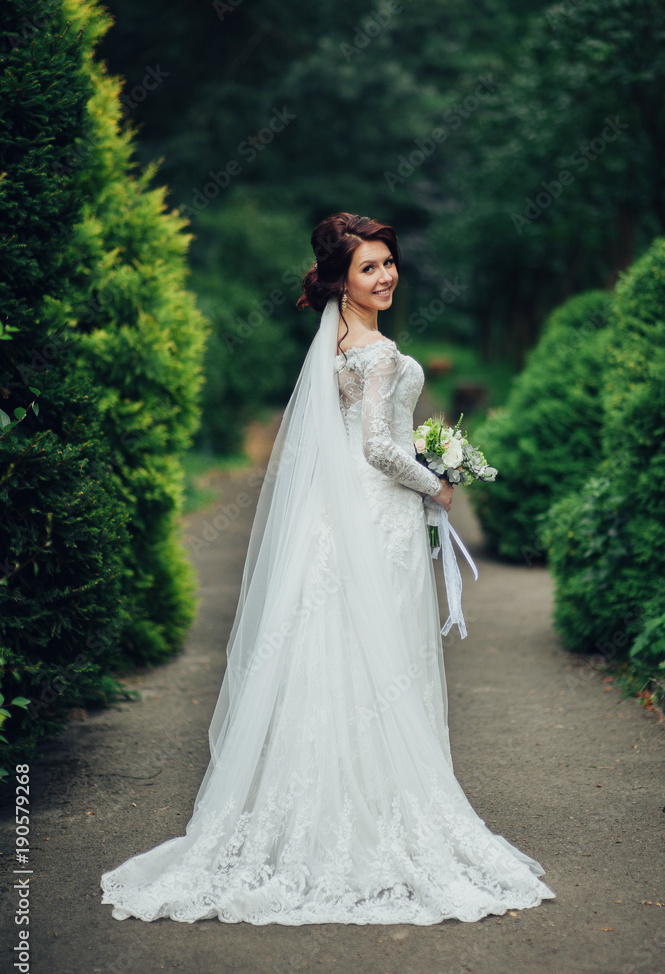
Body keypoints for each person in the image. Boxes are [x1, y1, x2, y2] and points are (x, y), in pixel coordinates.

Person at [100, 212, 555, 924]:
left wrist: (427, 462)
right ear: (340, 279)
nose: (385, 276)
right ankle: (371, 817)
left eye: (388, 263)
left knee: (340, 657)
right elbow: (377, 447)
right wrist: (436, 481)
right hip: (373, 518)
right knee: (372, 657)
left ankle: (329, 806)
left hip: (341, 519)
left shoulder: (340, 344)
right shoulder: (372, 352)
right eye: (368, 268)